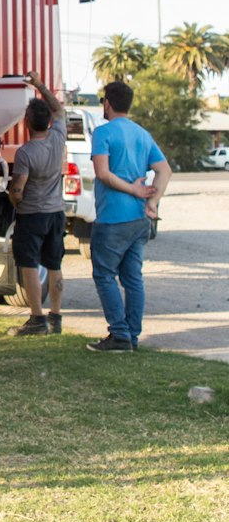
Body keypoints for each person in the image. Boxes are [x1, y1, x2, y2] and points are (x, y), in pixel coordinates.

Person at [86, 80, 170, 353]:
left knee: (104, 275)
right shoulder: (142, 134)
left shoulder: (103, 133)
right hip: (139, 218)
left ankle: (119, 334)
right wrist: (153, 201)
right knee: (133, 278)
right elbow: (165, 170)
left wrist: (132, 188)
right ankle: (131, 336)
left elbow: (103, 173)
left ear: (107, 103)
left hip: (112, 218)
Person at [5, 71, 66, 336]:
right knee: (54, 264)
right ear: (49, 121)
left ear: (27, 122)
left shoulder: (26, 153)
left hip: (32, 215)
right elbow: (59, 109)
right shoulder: (58, 138)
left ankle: (36, 319)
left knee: (29, 263)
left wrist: (12, 197)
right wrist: (40, 84)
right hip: (56, 213)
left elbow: (18, 191)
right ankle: (56, 317)